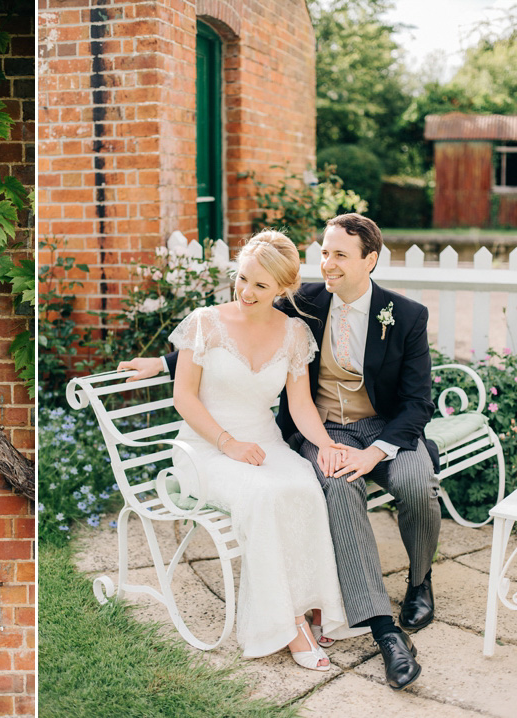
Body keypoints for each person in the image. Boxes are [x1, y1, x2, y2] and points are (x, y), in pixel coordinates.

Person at [120, 214, 438, 690]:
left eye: (339, 256)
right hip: (299, 431)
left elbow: (416, 402)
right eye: (324, 252)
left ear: (369, 260)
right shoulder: (305, 298)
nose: (327, 263)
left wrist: (373, 452)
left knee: (413, 483)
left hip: (383, 428)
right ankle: (376, 625)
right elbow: (223, 333)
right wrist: (164, 363)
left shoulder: (404, 315)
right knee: (330, 484)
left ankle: (419, 580)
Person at [165, 229, 351, 670]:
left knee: (307, 487)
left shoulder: (294, 334)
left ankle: (313, 600)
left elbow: (301, 404)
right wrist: (227, 444)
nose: (247, 292)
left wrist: (326, 444)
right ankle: (290, 624)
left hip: (264, 444)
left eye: (261, 286)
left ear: (283, 290)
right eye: (243, 278)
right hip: (204, 450)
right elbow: (184, 398)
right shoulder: (204, 323)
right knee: (266, 498)